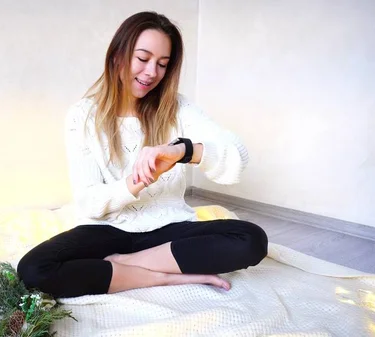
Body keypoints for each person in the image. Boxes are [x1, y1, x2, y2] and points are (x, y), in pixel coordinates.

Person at [17, 11, 268, 298]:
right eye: (143, 58)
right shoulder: (82, 115)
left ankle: (128, 266)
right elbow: (89, 201)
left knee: (251, 239)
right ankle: (164, 277)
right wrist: (138, 180)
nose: (152, 72)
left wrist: (182, 151)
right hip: (107, 230)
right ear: (117, 56)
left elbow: (237, 157)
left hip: (168, 228)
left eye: (162, 64)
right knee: (34, 269)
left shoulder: (178, 109)